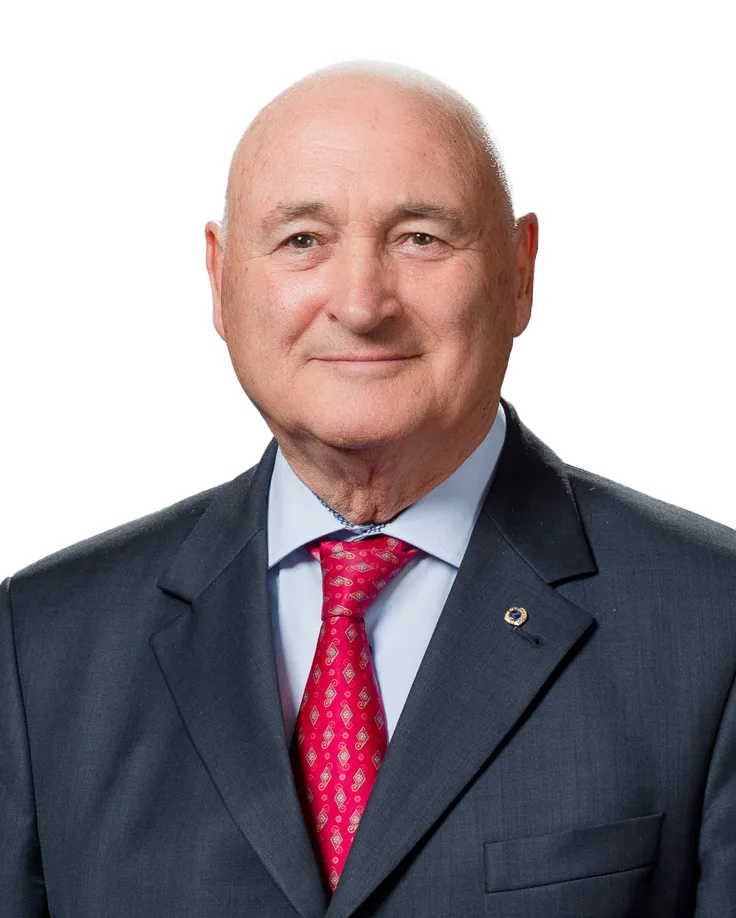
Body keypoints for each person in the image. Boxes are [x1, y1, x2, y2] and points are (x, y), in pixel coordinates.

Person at [1, 61, 735, 918]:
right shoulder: (38, 645)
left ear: (520, 272)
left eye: (420, 237)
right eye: (303, 240)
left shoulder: (713, 629)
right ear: (219, 277)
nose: (360, 302)